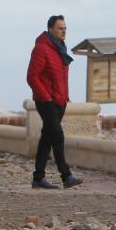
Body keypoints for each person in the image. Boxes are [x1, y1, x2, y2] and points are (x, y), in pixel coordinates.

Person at [26, 15, 82, 190]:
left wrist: (66, 95)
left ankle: (38, 177)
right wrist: (47, 97)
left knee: (47, 138)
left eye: (65, 28)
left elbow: (61, 78)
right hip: (46, 101)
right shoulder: (41, 49)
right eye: (60, 28)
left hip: (60, 100)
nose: (63, 31)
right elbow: (32, 77)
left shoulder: (60, 49)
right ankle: (66, 176)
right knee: (57, 136)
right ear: (51, 29)